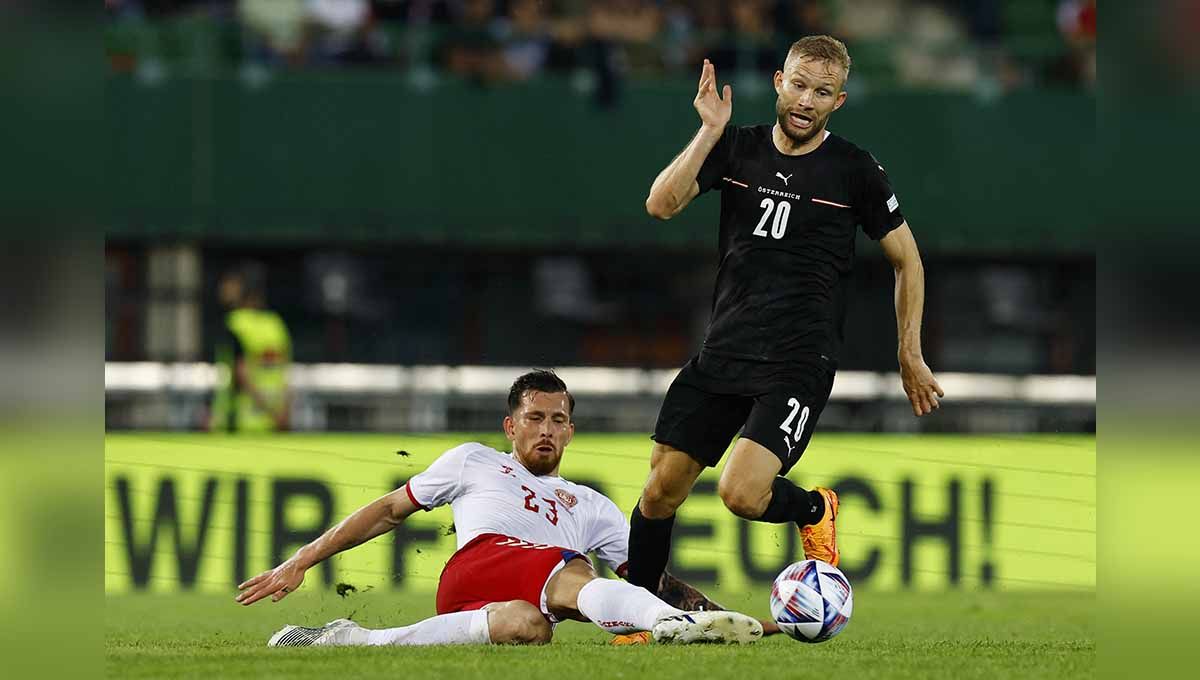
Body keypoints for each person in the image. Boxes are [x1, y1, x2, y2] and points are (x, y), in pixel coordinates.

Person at [628, 36, 945, 594]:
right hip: (725, 348)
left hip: (799, 358)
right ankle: (639, 615)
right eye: (798, 85)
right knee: (659, 491)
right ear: (779, 82)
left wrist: (909, 353)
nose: (805, 100)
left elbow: (908, 261)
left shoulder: (855, 171)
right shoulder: (736, 148)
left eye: (821, 92)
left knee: (741, 494)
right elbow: (660, 204)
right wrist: (708, 131)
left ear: (838, 102)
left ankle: (814, 509)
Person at [236, 370, 764, 647]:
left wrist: (736, 621)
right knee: (572, 566)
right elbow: (387, 510)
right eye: (534, 418)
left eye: (558, 420)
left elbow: (649, 578)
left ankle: (355, 640)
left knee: (531, 628)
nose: (546, 430)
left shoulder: (592, 505)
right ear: (511, 427)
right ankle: (667, 627)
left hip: (507, 602)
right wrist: (302, 559)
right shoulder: (473, 461)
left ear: (571, 432)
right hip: (476, 566)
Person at [209, 261, 292, 433]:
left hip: (237, 422)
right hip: (272, 424)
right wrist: (282, 413)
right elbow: (284, 375)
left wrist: (270, 412)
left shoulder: (234, 324)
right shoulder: (275, 324)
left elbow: (241, 375)